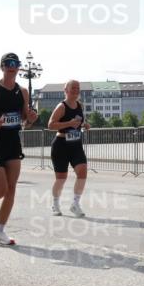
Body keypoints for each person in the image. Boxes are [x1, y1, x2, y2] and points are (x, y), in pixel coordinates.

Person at [0, 52, 37, 245]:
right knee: (0, 190)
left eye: (15, 63)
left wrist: (30, 119)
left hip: (13, 143)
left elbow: (25, 120)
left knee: (11, 189)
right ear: (2, 67)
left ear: (19, 67)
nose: (12, 66)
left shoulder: (22, 91)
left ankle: (0, 232)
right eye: (8, 63)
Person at [47, 80, 90, 218]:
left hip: (76, 143)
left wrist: (84, 124)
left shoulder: (79, 105)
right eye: (73, 88)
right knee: (61, 178)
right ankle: (55, 203)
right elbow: (51, 125)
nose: (76, 90)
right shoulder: (62, 106)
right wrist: (69, 123)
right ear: (66, 90)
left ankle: (75, 204)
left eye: (78, 88)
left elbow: (78, 122)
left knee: (82, 172)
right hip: (61, 144)